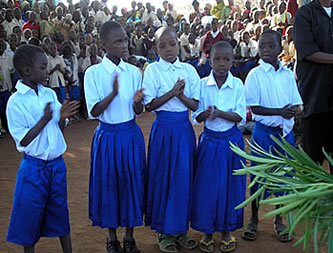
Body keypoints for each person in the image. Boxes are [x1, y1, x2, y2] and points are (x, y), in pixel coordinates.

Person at [6, 44, 80, 253]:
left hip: (56, 166)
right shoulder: (15, 102)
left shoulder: (48, 94)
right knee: (29, 215)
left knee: (60, 212)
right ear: (27, 71)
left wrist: (62, 119)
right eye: (43, 67)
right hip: (34, 168)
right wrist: (44, 119)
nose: (47, 71)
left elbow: (57, 129)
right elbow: (23, 140)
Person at [84, 21, 145, 253]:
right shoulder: (94, 73)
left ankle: (130, 237)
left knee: (132, 184)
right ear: (103, 45)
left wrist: (137, 102)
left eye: (125, 39)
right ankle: (112, 238)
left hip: (130, 136)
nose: (124, 45)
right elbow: (94, 111)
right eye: (118, 41)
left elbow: (139, 111)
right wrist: (113, 93)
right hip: (107, 137)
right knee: (108, 185)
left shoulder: (133, 72)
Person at [143, 26, 200, 253]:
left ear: (179, 44)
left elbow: (195, 105)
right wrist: (172, 93)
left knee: (183, 178)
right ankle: (163, 231)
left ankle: (180, 230)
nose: (168, 49)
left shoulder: (189, 70)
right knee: (162, 177)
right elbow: (149, 105)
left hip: (183, 130)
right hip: (163, 130)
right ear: (155, 48)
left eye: (172, 44)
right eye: (162, 45)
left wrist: (181, 95)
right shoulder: (152, 70)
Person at [243, 30, 303, 242]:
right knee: (259, 176)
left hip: (284, 134)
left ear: (280, 48)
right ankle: (254, 218)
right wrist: (279, 112)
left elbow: (295, 101)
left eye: (271, 46)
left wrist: (297, 110)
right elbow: (255, 109)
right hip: (264, 133)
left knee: (283, 177)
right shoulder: (255, 75)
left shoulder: (287, 75)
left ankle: (279, 219)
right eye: (262, 46)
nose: (266, 50)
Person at [191, 41, 246, 253]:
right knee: (207, 187)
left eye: (226, 59)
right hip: (210, 142)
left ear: (232, 61)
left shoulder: (238, 85)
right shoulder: (202, 84)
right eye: (217, 59)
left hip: (232, 142)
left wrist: (219, 113)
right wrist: (203, 115)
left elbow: (239, 116)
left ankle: (226, 231)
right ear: (209, 60)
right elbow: (195, 117)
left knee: (231, 186)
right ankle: (207, 230)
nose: (221, 64)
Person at [293, 0, 333, 174]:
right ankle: (310, 202)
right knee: (312, 162)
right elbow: (307, 52)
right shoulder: (304, 14)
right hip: (315, 99)